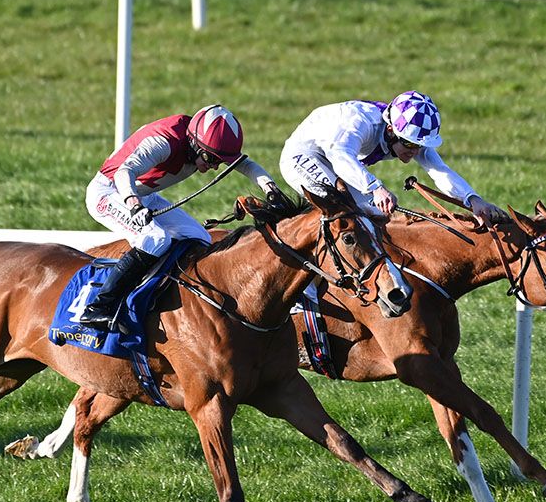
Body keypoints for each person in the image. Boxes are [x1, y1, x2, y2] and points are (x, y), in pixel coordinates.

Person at [80, 104, 285, 329]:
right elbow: (124, 172)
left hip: (144, 195)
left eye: (218, 161)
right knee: (155, 238)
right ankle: (98, 307)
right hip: (110, 192)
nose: (214, 167)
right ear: (195, 143)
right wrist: (134, 204)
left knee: (200, 237)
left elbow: (245, 164)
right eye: (210, 158)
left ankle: (168, 296)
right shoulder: (164, 141)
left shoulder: (205, 141)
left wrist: (271, 189)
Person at [279, 91, 507, 225]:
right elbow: (340, 157)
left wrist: (473, 199)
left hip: (336, 161)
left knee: (377, 217)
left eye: (420, 146)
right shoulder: (360, 123)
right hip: (303, 155)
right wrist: (375, 188)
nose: (415, 152)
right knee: (349, 212)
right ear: (390, 130)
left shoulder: (406, 134)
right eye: (410, 144)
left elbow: (439, 170)